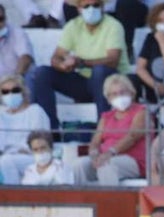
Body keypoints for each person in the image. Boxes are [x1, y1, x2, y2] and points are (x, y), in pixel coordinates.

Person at [28, 0, 130, 131]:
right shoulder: (73, 25)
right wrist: (63, 65)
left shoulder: (113, 25)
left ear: (103, 7)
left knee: (99, 71)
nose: (91, 9)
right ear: (79, 9)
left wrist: (81, 62)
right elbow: (56, 57)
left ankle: (103, 128)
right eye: (86, 6)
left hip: (113, 82)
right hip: (85, 83)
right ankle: (51, 130)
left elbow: (113, 60)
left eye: (96, 5)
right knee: (41, 73)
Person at [72, 72, 144, 185]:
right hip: (105, 157)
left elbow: (132, 137)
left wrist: (110, 153)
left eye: (122, 92)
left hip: (133, 160)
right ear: (108, 98)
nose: (119, 96)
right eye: (114, 94)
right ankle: (82, 201)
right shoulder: (106, 116)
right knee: (79, 165)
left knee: (106, 166)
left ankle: (109, 202)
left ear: (131, 92)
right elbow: (96, 140)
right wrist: (94, 154)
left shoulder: (141, 111)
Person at [0, 72, 48, 183]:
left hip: (32, 156)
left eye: (15, 90)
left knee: (6, 161)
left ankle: (13, 198)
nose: (10, 94)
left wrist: (21, 150)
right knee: (5, 160)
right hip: (7, 156)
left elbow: (41, 141)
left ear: (23, 92)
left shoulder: (35, 111)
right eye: (5, 92)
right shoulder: (1, 115)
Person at [0, 5, 35, 80]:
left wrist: (16, 79)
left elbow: (25, 58)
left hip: (20, 79)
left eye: (1, 19)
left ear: (5, 18)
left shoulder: (17, 32)